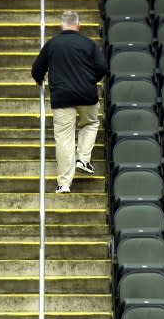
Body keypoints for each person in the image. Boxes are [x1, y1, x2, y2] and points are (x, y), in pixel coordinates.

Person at [31, 11, 108, 193]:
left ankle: (64, 184)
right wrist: (90, 80)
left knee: (64, 138)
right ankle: (83, 158)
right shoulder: (88, 43)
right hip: (87, 94)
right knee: (90, 123)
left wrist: (39, 79)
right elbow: (102, 67)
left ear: (61, 26)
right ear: (78, 25)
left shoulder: (52, 44)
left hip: (62, 97)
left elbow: (36, 70)